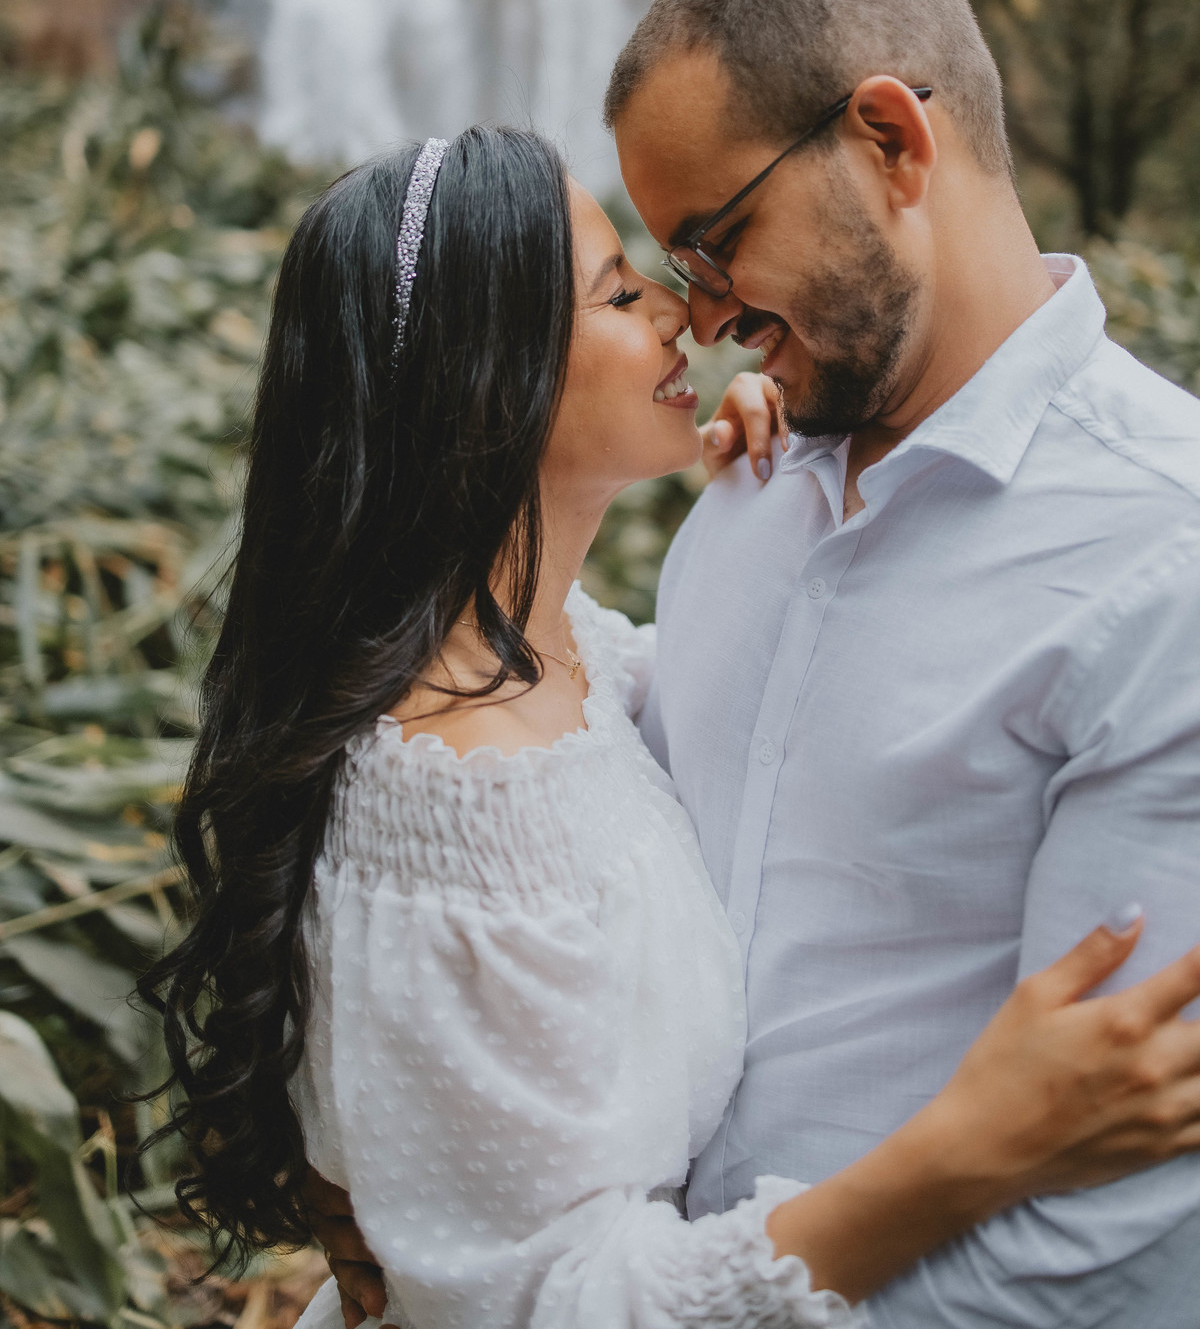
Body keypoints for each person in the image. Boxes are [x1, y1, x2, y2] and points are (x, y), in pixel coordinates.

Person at [140, 126, 1200, 1329]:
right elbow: (556, 1307)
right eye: (619, 292)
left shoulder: (562, 660)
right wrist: (965, 1152)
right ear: (489, 378)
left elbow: (719, 705)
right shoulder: (464, 809)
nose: (684, 318)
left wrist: (800, 456)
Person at [608, 0, 1200, 1324]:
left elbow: (1104, 1226)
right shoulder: (745, 494)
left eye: (716, 241)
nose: (704, 320)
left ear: (889, 140)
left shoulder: (1165, 557)